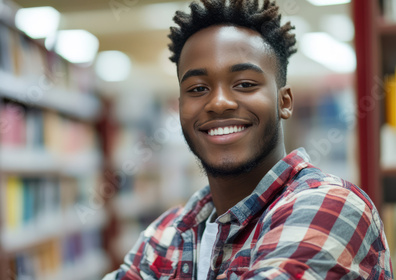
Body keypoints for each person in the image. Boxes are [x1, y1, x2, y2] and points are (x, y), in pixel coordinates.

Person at [103, 0, 393, 279]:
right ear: (179, 107)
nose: (218, 103)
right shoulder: (165, 235)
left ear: (285, 101)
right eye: (198, 88)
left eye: (244, 84)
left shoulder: (329, 206)